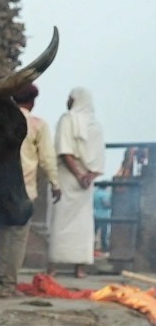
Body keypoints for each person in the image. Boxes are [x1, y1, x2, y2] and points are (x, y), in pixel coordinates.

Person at [0, 84, 60, 293]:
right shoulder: (38, 125)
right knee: (19, 235)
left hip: (2, 186)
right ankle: (10, 282)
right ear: (32, 102)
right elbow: (47, 157)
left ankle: (0, 275)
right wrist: (55, 182)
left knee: (4, 230)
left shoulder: (1, 122)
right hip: (25, 187)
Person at [49, 87, 105, 279]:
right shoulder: (94, 125)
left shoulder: (69, 120)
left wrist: (84, 175)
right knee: (65, 220)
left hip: (75, 178)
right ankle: (60, 267)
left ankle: (69, 267)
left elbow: (65, 151)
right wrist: (85, 175)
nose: (68, 101)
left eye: (70, 98)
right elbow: (67, 152)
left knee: (76, 223)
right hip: (75, 178)